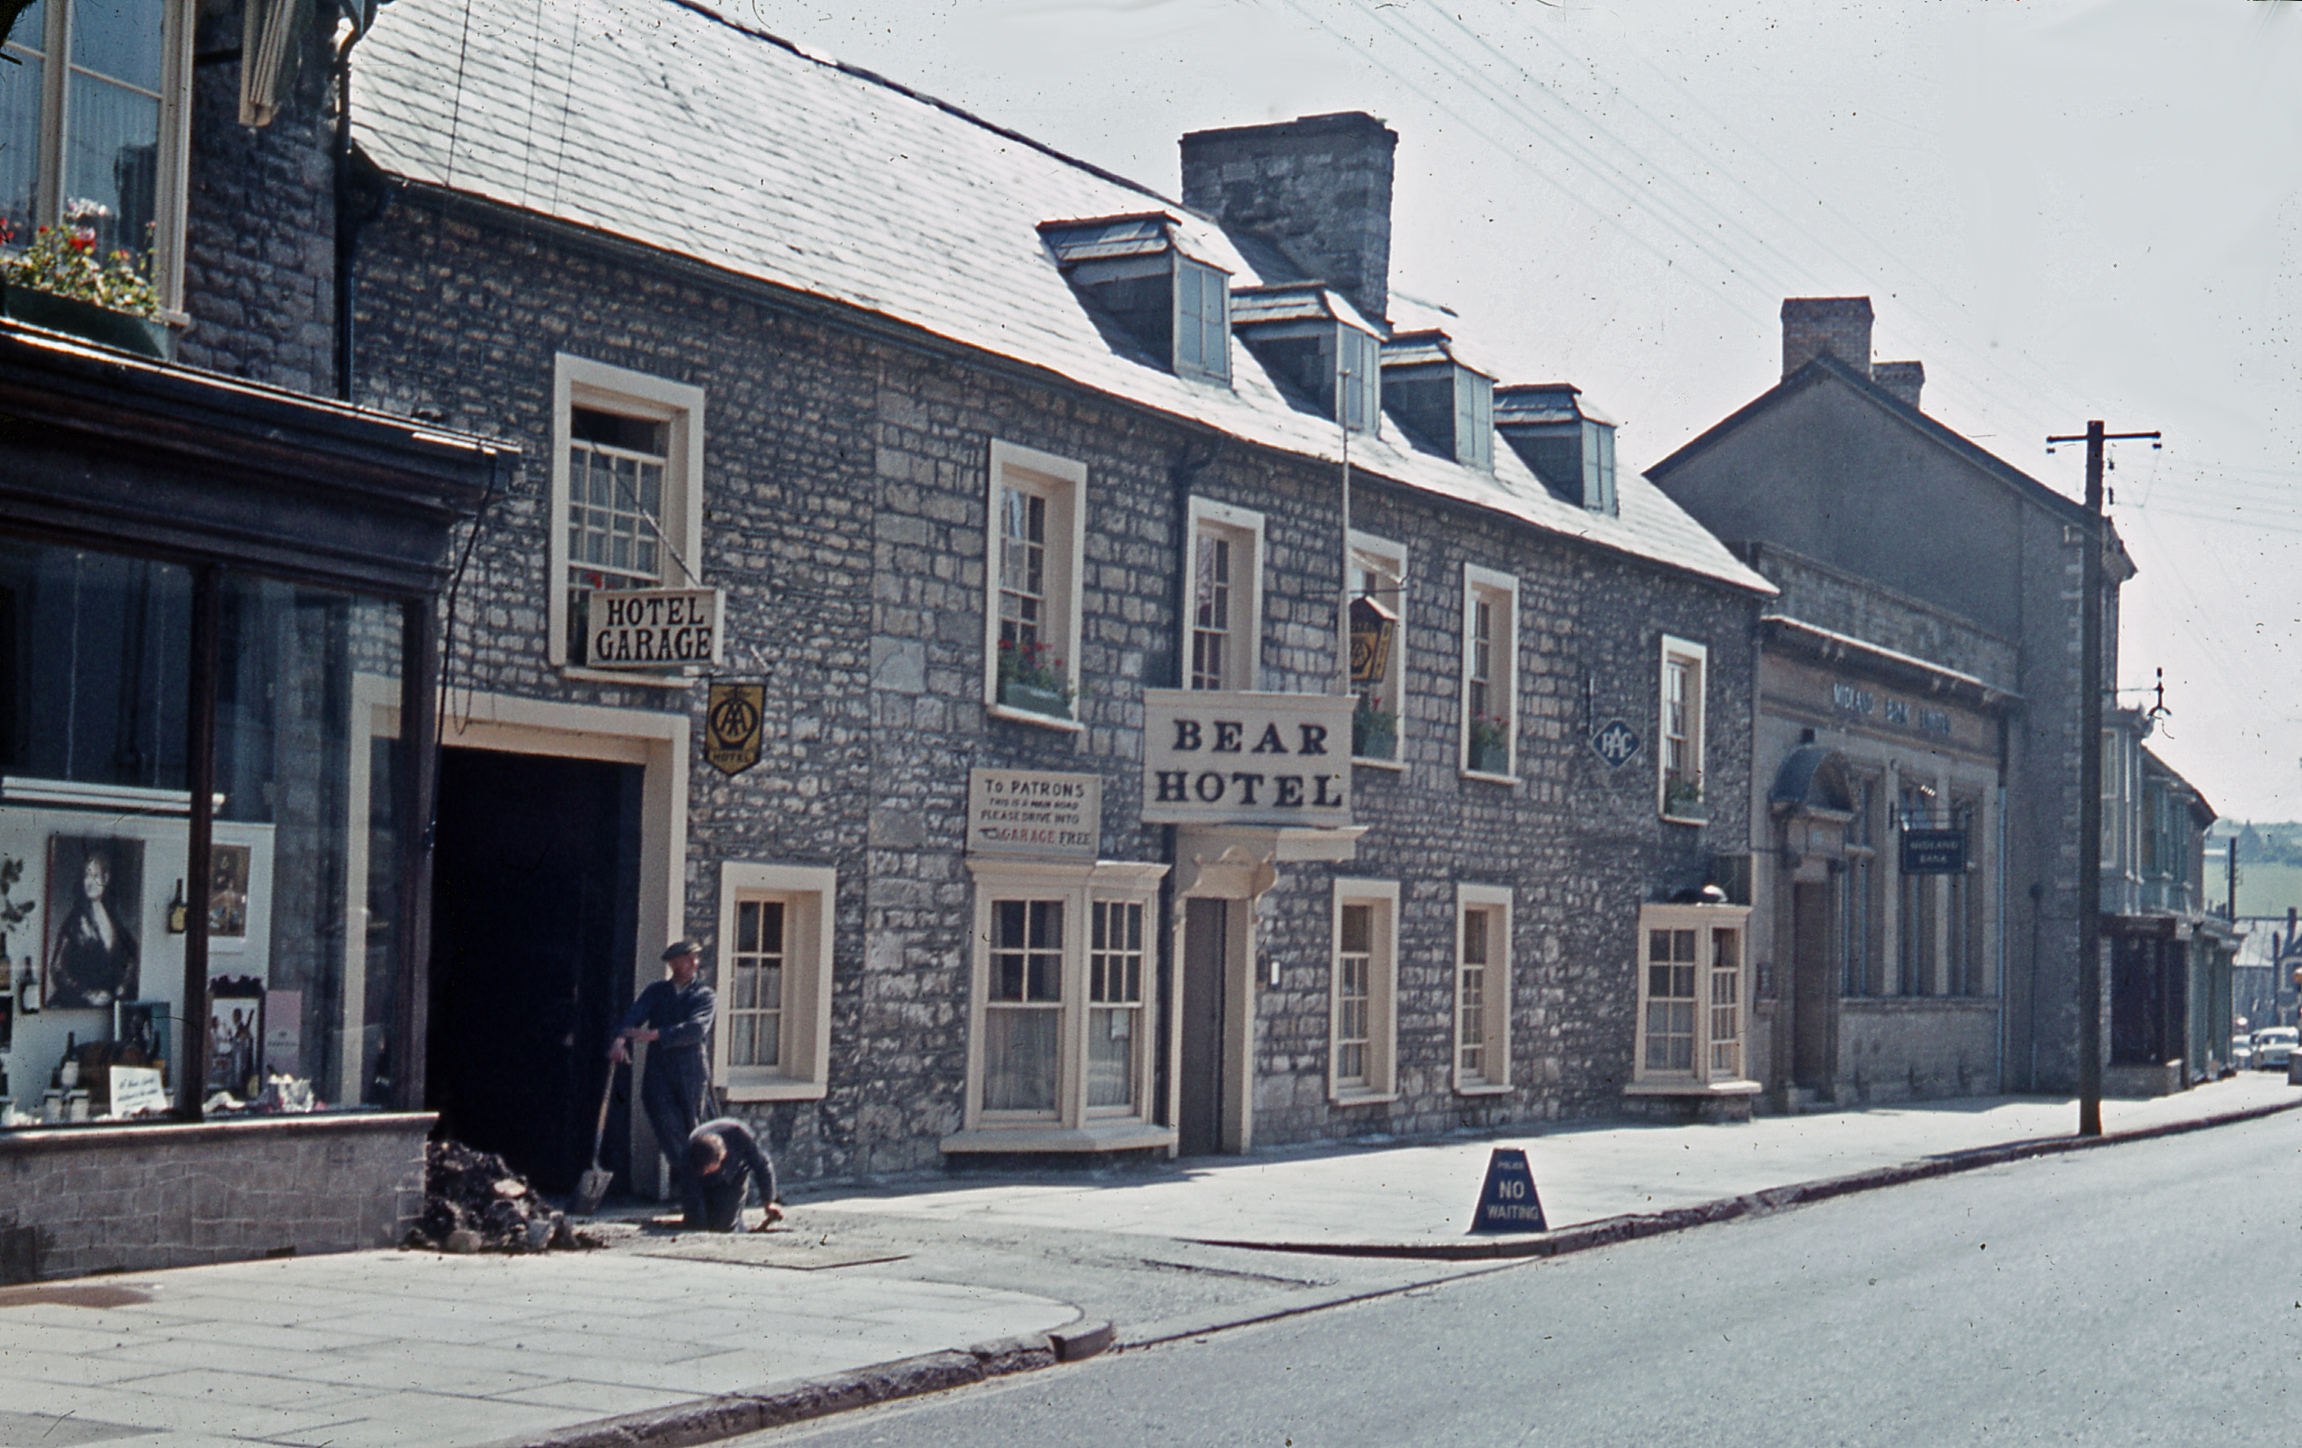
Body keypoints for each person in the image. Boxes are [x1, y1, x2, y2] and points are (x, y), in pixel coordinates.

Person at [609, 939, 716, 1226]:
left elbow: (695, 1029)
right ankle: (689, 1184)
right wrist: (620, 1039)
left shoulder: (704, 995)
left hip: (690, 1068)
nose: (692, 964)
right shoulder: (657, 992)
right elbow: (634, 1015)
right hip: (660, 1069)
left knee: (692, 1128)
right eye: (685, 959)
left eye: (694, 958)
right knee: (661, 1115)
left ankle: (699, 1199)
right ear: (673, 964)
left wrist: (657, 1035)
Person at [48, 848, 137, 1009]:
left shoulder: (114, 920)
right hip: (78, 1006)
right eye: (86, 876)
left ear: (106, 878)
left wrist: (121, 986)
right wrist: (88, 994)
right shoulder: (75, 921)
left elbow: (131, 956)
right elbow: (57, 968)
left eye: (95, 876)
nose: (89, 882)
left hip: (110, 1006)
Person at [684, 1117, 783, 1233]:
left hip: (735, 1174)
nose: (706, 1173)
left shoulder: (740, 1135)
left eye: (709, 1170)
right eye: (704, 1171)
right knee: (699, 1222)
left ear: (722, 1157)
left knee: (726, 1224)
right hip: (703, 1179)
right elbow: (691, 1191)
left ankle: (737, 1231)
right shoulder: (690, 1151)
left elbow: (762, 1165)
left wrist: (768, 1200)